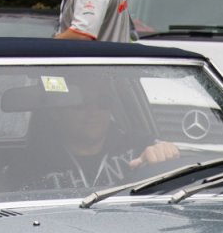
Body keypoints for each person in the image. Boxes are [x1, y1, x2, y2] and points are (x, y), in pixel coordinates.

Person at [15, 76, 179, 191]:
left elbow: (165, 152)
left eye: (103, 102)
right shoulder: (30, 164)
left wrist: (166, 151)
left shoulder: (138, 145)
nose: (93, 111)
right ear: (55, 112)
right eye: (81, 104)